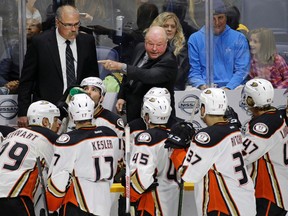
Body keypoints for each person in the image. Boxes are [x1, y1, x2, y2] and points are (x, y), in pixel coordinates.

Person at [165, 88, 256, 215]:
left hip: (224, 205)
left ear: (203, 109)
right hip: (245, 201)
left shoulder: (207, 137)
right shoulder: (234, 130)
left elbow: (189, 175)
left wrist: (177, 151)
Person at [17, 5, 99, 128]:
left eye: (77, 24)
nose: (73, 29)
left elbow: (93, 77)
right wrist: (23, 112)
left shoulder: (87, 41)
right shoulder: (40, 42)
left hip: (79, 111)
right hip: (47, 111)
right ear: (57, 22)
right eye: (68, 25)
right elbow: (27, 80)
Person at [46, 93, 122, 216]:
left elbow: (58, 179)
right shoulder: (110, 134)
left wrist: (51, 204)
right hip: (105, 199)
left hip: (80, 201)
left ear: (71, 114)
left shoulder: (69, 140)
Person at [98, 26, 177, 122]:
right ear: (145, 42)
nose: (154, 48)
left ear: (166, 43)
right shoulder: (139, 48)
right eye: (151, 44)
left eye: (159, 45)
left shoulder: (169, 60)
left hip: (157, 119)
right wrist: (122, 96)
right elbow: (129, 74)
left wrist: (120, 67)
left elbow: (148, 75)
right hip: (134, 112)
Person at [0, 100, 60, 216]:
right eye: (56, 119)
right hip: (15, 195)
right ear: (45, 121)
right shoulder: (51, 139)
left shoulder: (13, 133)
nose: (58, 124)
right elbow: (58, 175)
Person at [240, 78, 288, 215]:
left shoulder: (263, 126)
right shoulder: (277, 116)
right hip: (278, 190)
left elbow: (244, 155)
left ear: (251, 100)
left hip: (269, 192)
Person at [126, 96, 180, 216]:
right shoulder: (176, 138)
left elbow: (141, 177)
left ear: (147, 116)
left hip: (153, 204)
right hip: (173, 201)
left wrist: (129, 197)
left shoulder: (146, 138)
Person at [187, 0, 250, 90]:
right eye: (213, 18)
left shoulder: (239, 38)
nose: (217, 23)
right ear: (206, 18)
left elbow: (242, 70)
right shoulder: (195, 39)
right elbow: (194, 71)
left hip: (233, 87)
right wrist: (202, 86)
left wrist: (229, 88)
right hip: (205, 88)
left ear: (226, 18)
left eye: (220, 17)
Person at [151, 11, 189, 90]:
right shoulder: (149, 46)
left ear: (176, 29)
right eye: (166, 26)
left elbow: (177, 76)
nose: (169, 29)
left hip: (174, 89)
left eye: (173, 26)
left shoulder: (181, 50)